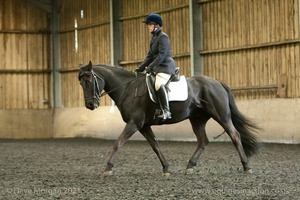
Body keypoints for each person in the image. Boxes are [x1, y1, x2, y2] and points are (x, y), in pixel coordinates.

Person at [135, 13, 176, 120]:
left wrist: (150, 67)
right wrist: (140, 67)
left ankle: (167, 111)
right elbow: (149, 56)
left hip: (165, 67)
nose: (148, 26)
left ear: (157, 25)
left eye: (149, 24)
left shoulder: (163, 37)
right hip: (158, 68)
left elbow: (161, 56)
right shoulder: (154, 38)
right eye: (147, 24)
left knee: (158, 84)